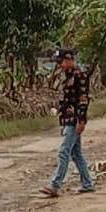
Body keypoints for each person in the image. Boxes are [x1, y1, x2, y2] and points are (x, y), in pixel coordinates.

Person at [37, 48, 95, 197]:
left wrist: (81, 120)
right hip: (68, 120)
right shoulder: (67, 77)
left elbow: (83, 99)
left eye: (61, 62)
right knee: (76, 153)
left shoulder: (80, 76)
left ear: (69, 59)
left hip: (75, 120)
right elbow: (65, 102)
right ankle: (87, 183)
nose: (59, 65)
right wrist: (62, 123)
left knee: (64, 152)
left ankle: (55, 185)